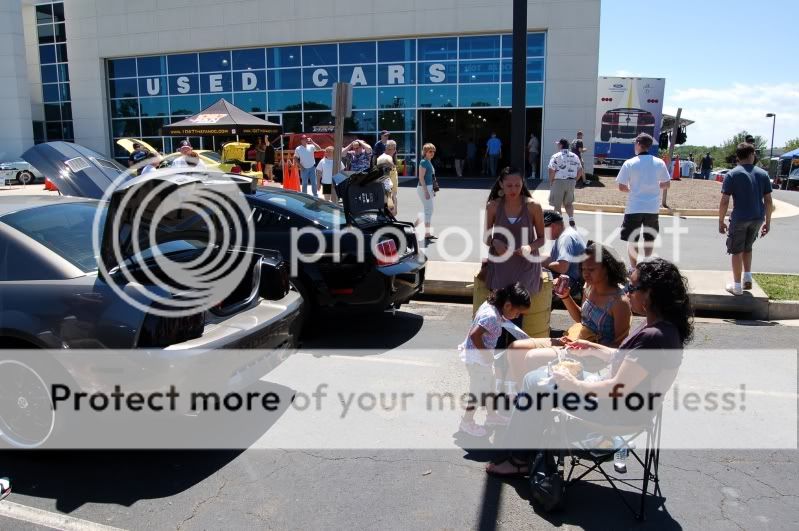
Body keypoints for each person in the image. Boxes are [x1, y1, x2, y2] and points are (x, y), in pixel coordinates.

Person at [487, 258, 692, 477]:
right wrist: (593, 348)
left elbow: (617, 387)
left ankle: (519, 460)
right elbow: (627, 361)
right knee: (540, 378)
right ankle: (529, 441)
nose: (628, 291)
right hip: (627, 406)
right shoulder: (662, 326)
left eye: (633, 287)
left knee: (534, 384)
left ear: (651, 294)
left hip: (614, 412)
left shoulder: (653, 337)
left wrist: (574, 384)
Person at [506, 241, 631, 384]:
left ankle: (535, 397)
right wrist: (565, 296)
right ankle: (524, 396)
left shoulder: (619, 302)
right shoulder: (589, 286)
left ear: (607, 269)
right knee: (515, 349)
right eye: (583, 269)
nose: (586, 274)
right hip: (573, 341)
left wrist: (590, 348)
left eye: (591, 269)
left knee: (532, 357)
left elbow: (620, 348)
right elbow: (581, 319)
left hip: (591, 356)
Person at [459, 282, 531, 437]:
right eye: (518, 313)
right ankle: (467, 422)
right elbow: (475, 335)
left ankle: (492, 416)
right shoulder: (492, 317)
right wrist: (485, 354)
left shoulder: (492, 308)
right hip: (478, 359)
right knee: (478, 392)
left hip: (480, 357)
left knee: (490, 386)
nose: (517, 316)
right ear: (507, 305)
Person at [719, 143, 773, 296]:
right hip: (757, 217)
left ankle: (737, 286)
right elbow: (768, 201)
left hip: (740, 218)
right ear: (752, 155)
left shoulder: (732, 174)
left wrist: (720, 220)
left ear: (737, 157)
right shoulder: (763, 174)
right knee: (748, 247)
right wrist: (768, 222)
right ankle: (747, 277)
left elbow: (724, 200)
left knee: (736, 251)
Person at [484, 167, 546, 297]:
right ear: (501, 184)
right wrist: (495, 242)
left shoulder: (534, 206)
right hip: (500, 265)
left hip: (526, 266)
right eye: (509, 185)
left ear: (523, 183)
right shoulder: (493, 206)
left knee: (518, 309)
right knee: (501, 309)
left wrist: (529, 247)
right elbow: (486, 237)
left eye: (517, 185)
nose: (514, 189)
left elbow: (542, 238)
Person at [615, 133, 671, 268]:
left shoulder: (629, 163)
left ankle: (634, 268)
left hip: (634, 207)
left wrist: (633, 189)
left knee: (633, 239)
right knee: (649, 238)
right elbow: (667, 184)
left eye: (635, 143)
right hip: (652, 208)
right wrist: (654, 186)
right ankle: (647, 266)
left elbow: (621, 187)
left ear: (639, 144)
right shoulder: (659, 162)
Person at [542, 210, 586, 298]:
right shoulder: (566, 233)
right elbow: (553, 258)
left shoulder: (565, 238)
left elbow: (562, 267)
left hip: (572, 283)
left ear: (553, 226)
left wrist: (544, 264)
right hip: (570, 278)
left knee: (535, 288)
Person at [547, 138, 584, 227]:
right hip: (571, 182)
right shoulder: (575, 156)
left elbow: (551, 170)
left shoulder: (556, 156)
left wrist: (551, 181)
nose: (557, 145)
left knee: (557, 205)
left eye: (558, 144)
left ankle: (559, 222)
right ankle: (571, 218)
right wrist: (575, 180)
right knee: (568, 203)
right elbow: (580, 169)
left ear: (561, 145)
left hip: (558, 182)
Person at [417, 143, 438, 241]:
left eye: (433, 151)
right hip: (423, 188)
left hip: (429, 187)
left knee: (428, 209)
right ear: (425, 152)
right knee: (429, 210)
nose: (432, 153)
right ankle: (427, 233)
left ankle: (415, 225)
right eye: (430, 151)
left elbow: (431, 177)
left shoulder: (429, 161)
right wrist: (426, 191)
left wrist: (432, 190)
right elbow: (421, 178)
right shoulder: (423, 162)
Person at [376, 139, 399, 214]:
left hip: (388, 192)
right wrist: (390, 197)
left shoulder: (383, 157)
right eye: (394, 148)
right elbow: (385, 178)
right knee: (389, 215)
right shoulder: (386, 158)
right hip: (388, 193)